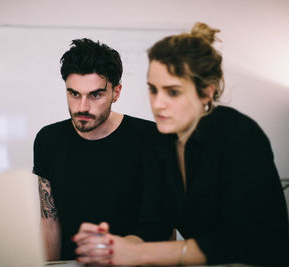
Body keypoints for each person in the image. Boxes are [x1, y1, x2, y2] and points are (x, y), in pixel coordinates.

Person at [73, 23, 289, 266]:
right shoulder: (160, 143)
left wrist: (138, 254)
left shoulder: (239, 134)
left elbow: (240, 241)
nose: (158, 104)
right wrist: (111, 247)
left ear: (206, 93)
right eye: (153, 90)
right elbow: (152, 227)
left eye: (173, 92)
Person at [33, 38, 159, 260]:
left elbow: (161, 224)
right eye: (74, 94)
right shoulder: (48, 140)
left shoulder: (149, 138)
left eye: (95, 95)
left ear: (116, 92)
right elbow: (50, 221)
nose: (82, 107)